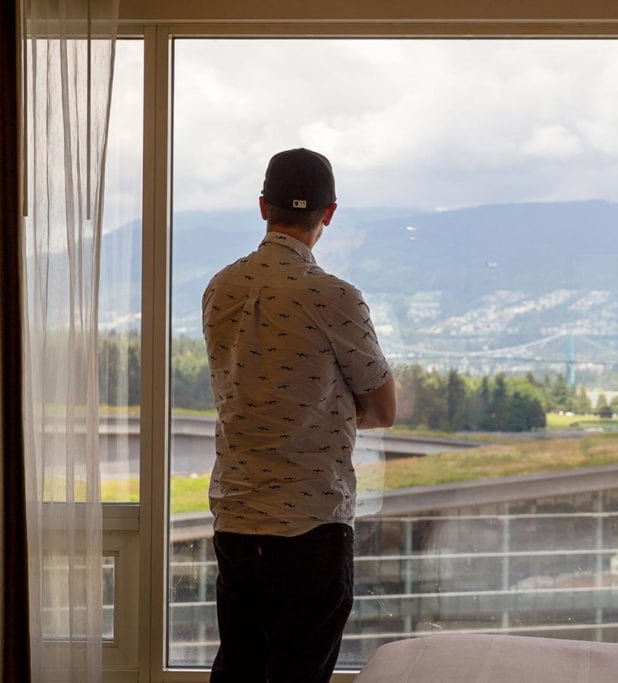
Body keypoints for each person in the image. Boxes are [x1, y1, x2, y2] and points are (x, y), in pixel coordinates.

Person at [202, 148, 396, 683]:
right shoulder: (335, 297)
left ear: (263, 206)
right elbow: (384, 408)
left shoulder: (220, 288)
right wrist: (328, 406)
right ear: (329, 213)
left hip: (238, 519)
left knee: (239, 669)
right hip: (313, 525)